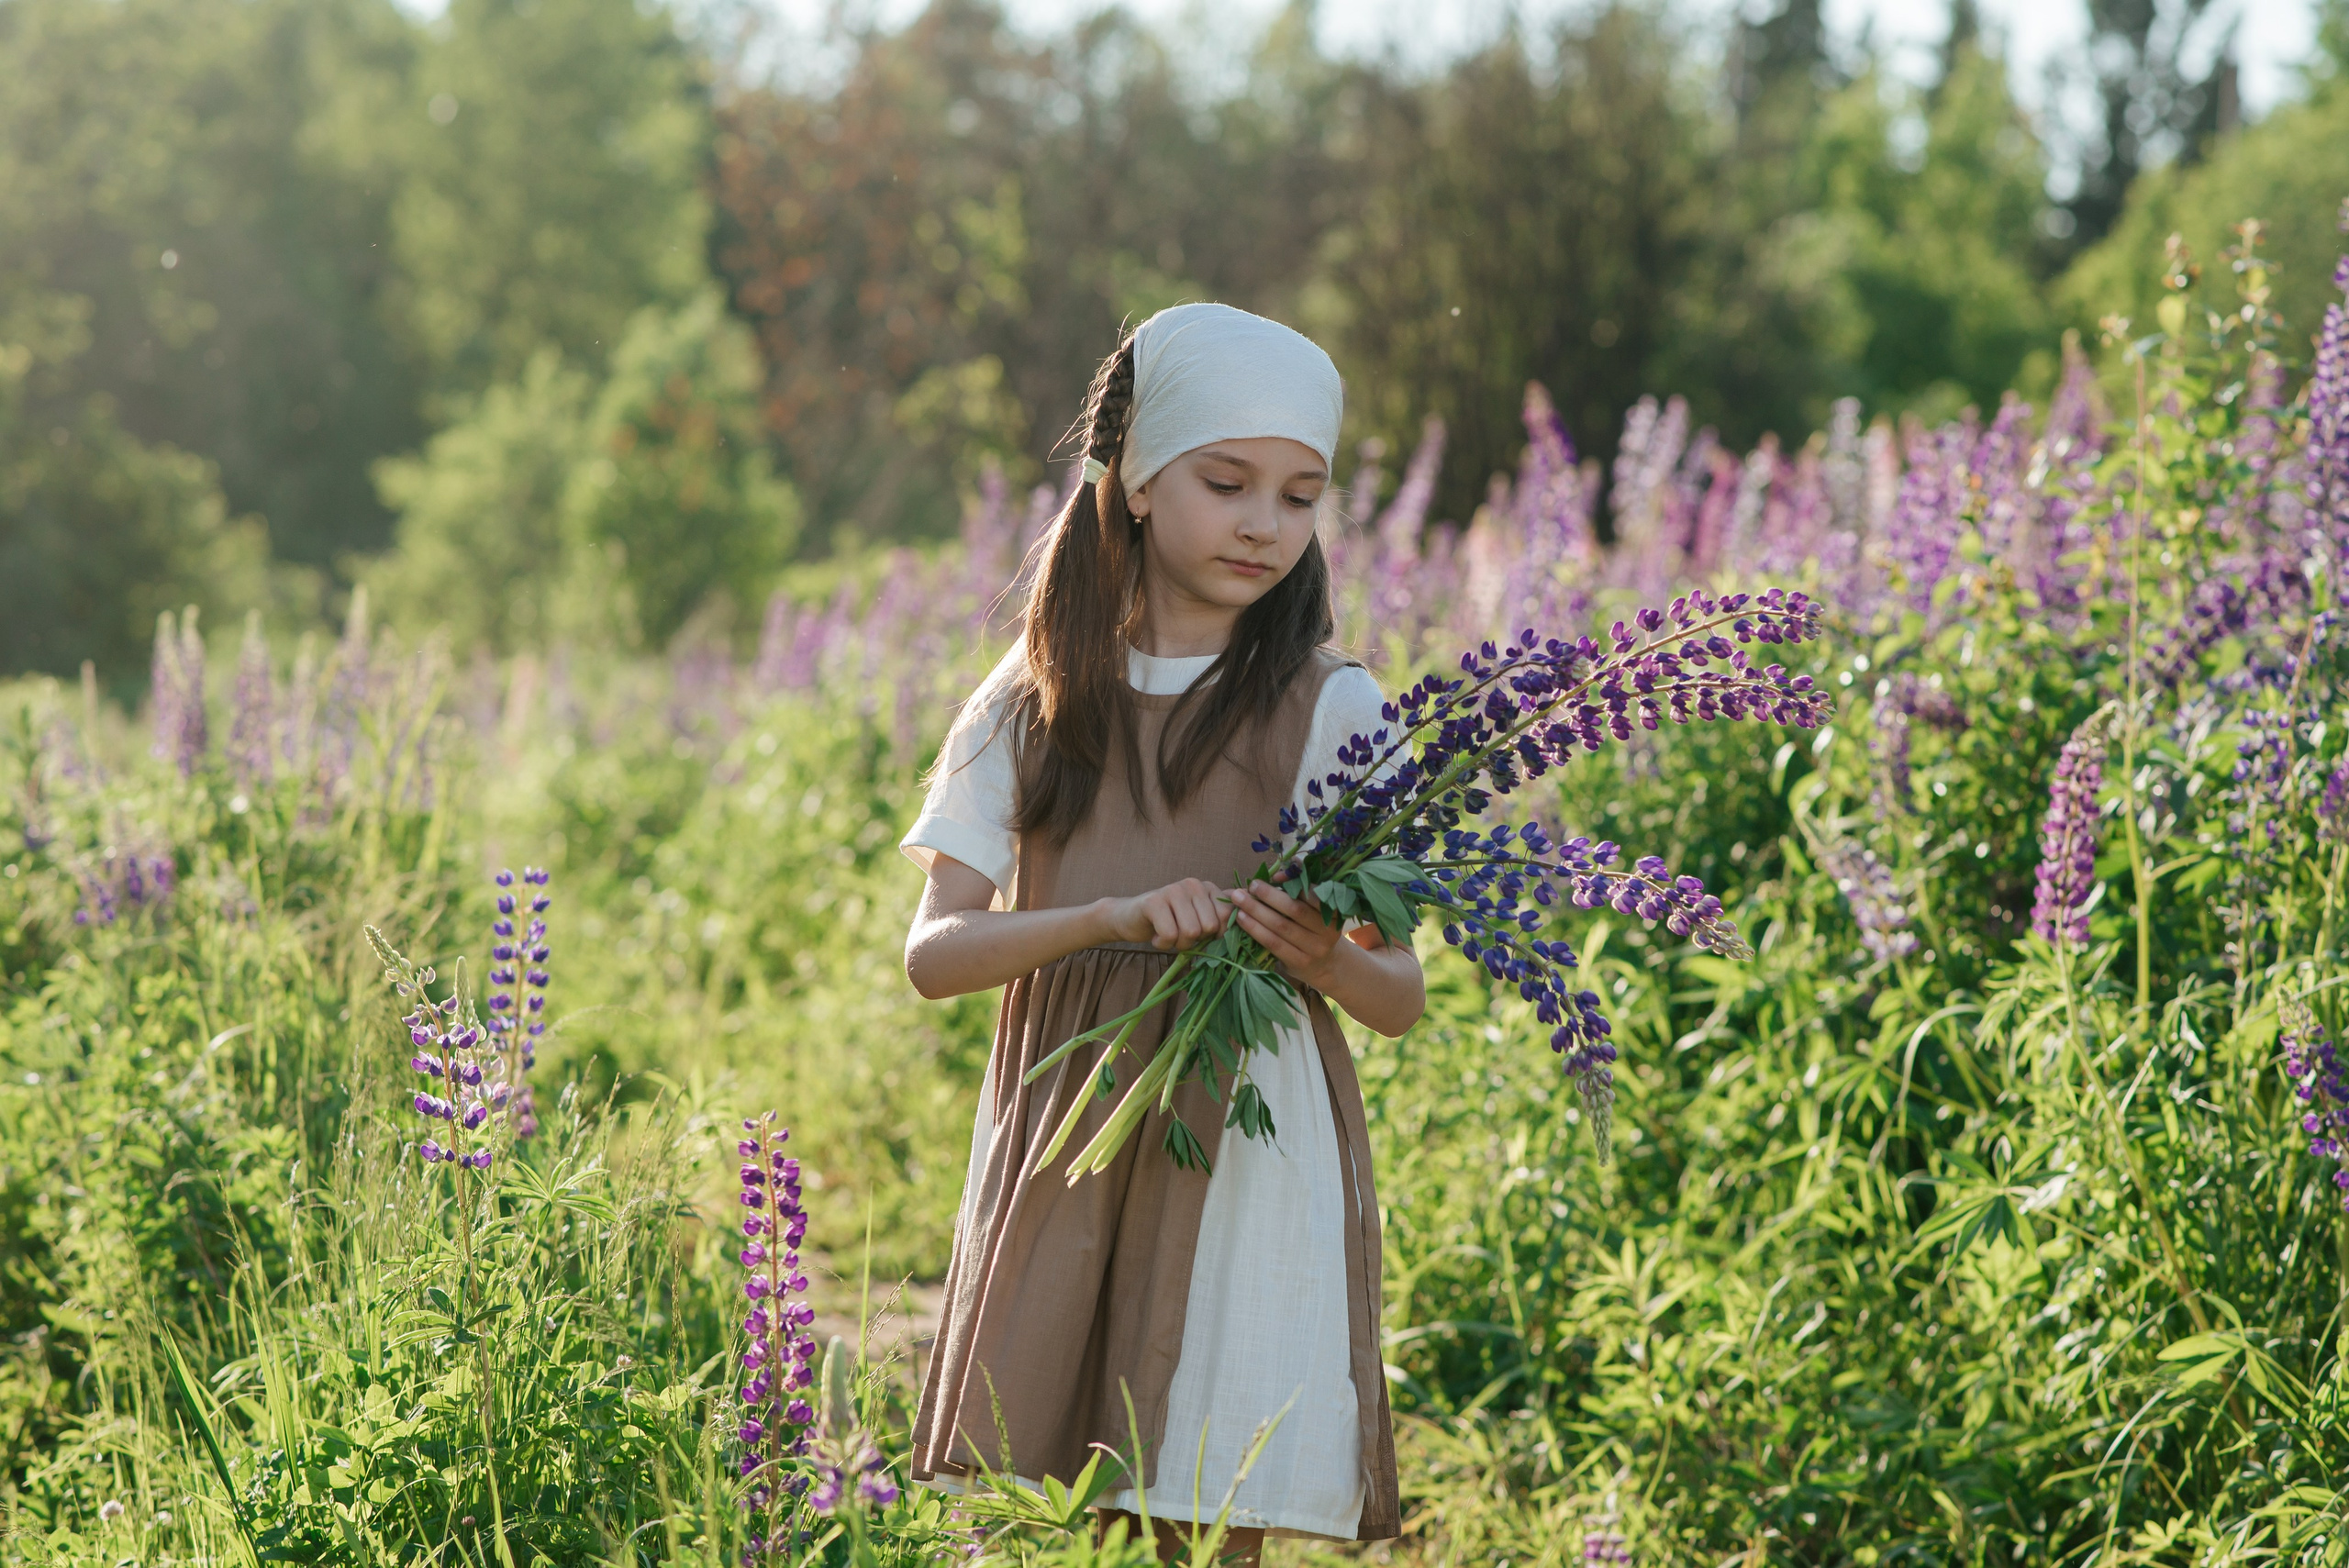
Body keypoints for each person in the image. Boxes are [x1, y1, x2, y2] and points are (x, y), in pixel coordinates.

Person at [899, 303, 1425, 1563]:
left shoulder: (1332, 706)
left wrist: (1315, 952)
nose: (1264, 522)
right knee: (1069, 1482)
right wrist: (1102, 918)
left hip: (1247, 1127)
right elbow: (934, 954)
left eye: (1300, 496)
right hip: (1071, 1127)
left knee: (1207, 1468)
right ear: (1137, 481)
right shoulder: (1032, 697)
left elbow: (1397, 990)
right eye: (1227, 481)